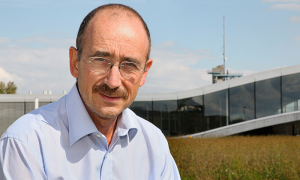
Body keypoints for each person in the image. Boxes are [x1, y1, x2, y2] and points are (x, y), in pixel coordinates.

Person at [0, 4, 180, 180]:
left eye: (129, 65)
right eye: (100, 60)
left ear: (144, 73)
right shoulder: (26, 143)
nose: (113, 82)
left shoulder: (154, 144)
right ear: (74, 63)